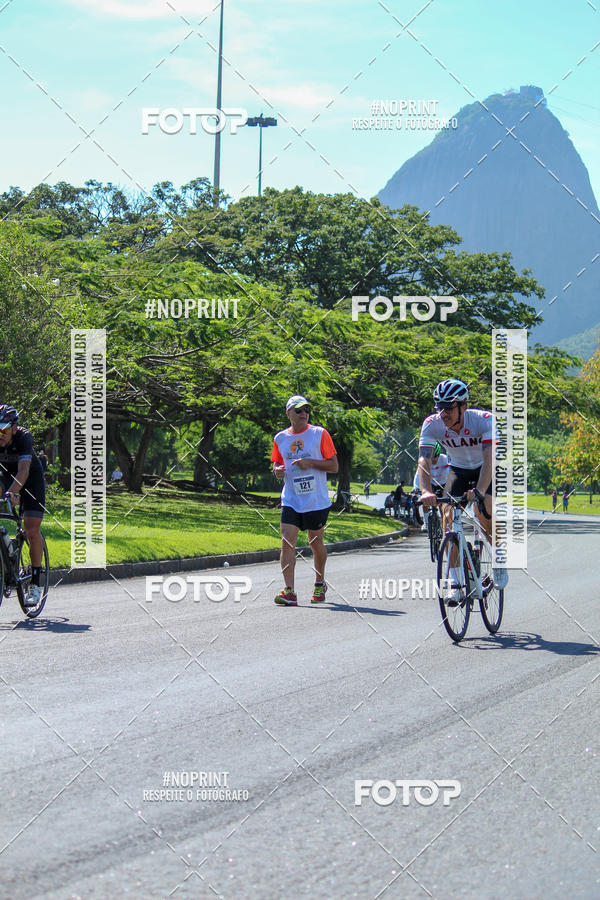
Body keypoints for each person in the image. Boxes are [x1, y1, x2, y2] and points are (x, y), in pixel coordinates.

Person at [417, 379, 507, 597]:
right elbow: (424, 460)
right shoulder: (432, 424)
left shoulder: (484, 421)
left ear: (463, 406)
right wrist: (426, 491)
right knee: (447, 515)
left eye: (449, 407)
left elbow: (490, 460)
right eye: (439, 407)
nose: (443, 414)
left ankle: (498, 558)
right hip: (458, 470)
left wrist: (480, 491)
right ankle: (456, 582)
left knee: (484, 508)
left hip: (485, 469)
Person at [271, 395, 338, 606]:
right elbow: (276, 467)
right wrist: (278, 471)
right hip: (291, 499)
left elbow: (334, 466)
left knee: (315, 542)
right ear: (288, 413)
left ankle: (319, 582)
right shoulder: (280, 439)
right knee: (287, 540)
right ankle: (289, 592)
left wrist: (311, 462)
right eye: (298, 410)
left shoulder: (319, 434)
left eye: (306, 410)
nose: (303, 413)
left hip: (316, 500)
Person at [0, 405, 46, 607]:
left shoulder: (24, 438)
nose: (0, 434)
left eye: (4, 430)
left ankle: (35, 584)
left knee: (31, 530)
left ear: (14, 428)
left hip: (30, 481)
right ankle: (6, 560)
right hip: (6, 477)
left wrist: (13, 492)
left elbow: (24, 471)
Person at [414, 442, 449, 530]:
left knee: (443, 506)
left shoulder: (444, 459)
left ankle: (443, 524)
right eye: (431, 458)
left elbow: (451, 472)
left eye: (435, 457)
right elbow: (418, 475)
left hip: (443, 484)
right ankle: (426, 523)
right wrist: (416, 487)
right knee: (425, 501)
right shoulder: (424, 460)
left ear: (439, 455)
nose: (433, 460)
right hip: (431, 484)